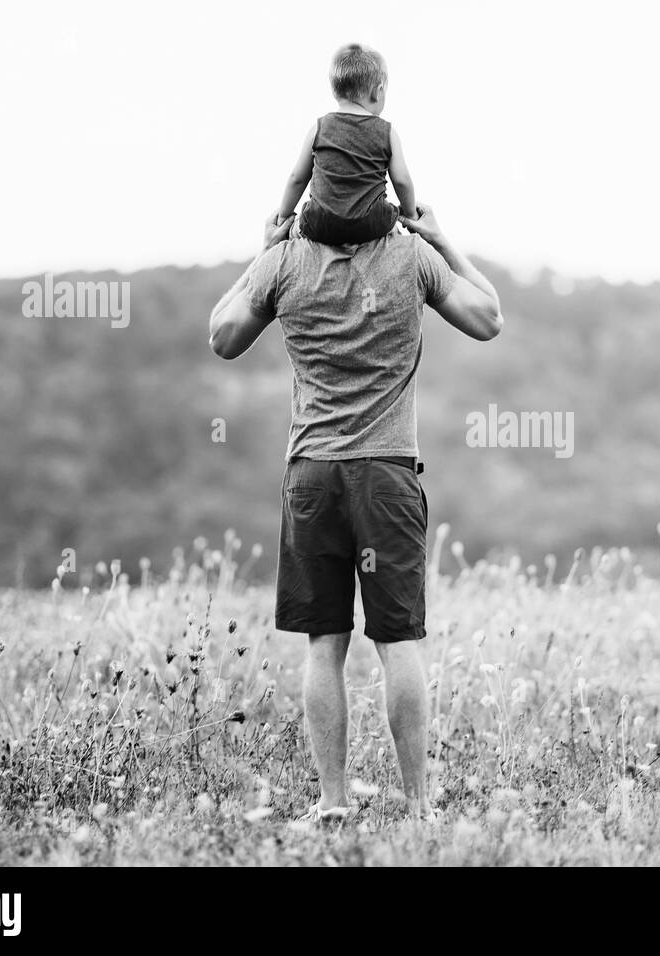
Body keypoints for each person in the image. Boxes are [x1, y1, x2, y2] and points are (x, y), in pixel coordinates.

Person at [209, 204, 502, 821]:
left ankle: (333, 802)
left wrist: (261, 253)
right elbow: (489, 317)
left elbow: (222, 336)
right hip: (387, 477)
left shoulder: (285, 261)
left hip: (313, 475)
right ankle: (419, 808)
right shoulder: (412, 258)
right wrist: (444, 239)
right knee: (399, 643)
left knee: (324, 645)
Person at [271, 43, 416, 246]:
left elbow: (297, 178)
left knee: (295, 229)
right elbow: (402, 181)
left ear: (334, 90)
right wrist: (410, 216)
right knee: (393, 228)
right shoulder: (387, 131)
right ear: (378, 91)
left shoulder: (318, 128)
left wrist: (283, 218)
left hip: (320, 223)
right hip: (372, 223)